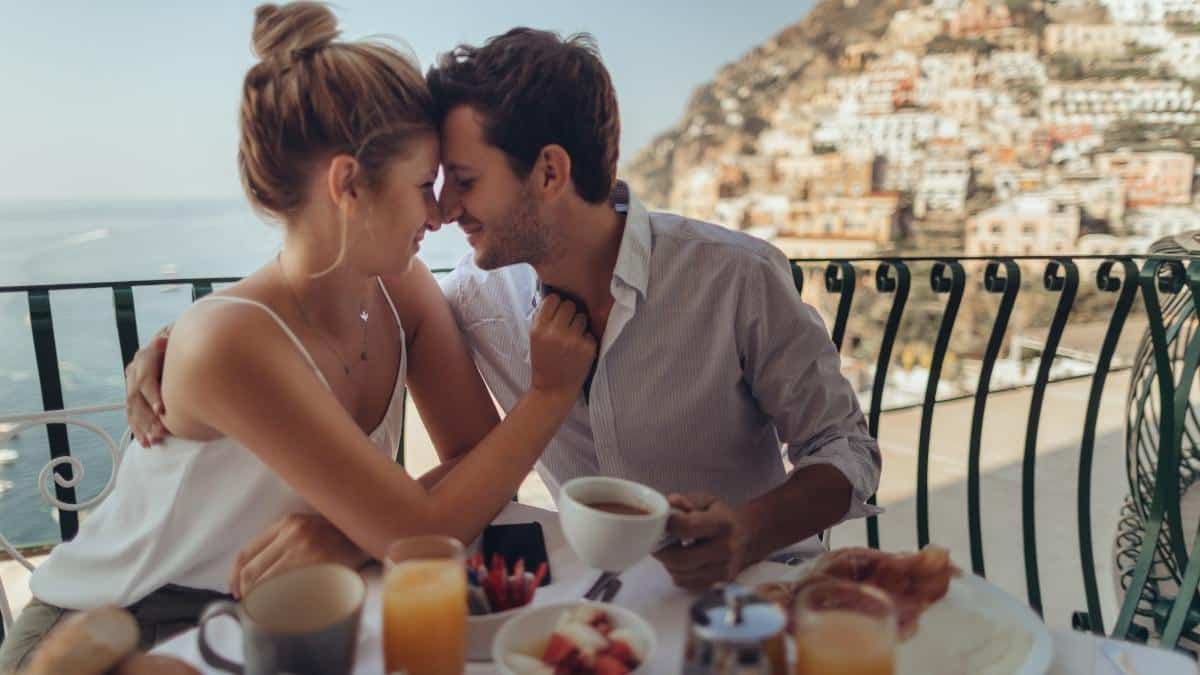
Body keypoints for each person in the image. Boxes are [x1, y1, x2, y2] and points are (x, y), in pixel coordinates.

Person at [127, 28, 882, 594]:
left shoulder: (736, 279)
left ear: (549, 172)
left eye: (461, 179)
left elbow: (848, 452)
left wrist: (749, 530)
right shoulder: (468, 298)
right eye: (434, 183)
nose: (445, 208)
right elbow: (294, 319)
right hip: (587, 599)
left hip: (753, 590)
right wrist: (185, 347)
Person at [0, 6, 595, 672]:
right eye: (420, 185)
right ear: (347, 185)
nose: (439, 213)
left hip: (267, 611)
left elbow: (476, 458)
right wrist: (547, 395)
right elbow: (423, 530)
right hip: (109, 632)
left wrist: (356, 533)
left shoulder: (403, 289)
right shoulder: (228, 343)